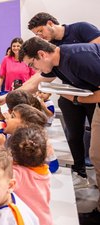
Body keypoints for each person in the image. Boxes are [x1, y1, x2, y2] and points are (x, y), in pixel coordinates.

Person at [18, 36, 100, 224]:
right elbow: (32, 84)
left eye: (32, 64)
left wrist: (77, 100)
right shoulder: (54, 63)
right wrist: (9, 99)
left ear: (41, 54)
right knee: (96, 155)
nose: (33, 69)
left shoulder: (78, 57)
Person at [27, 12, 100, 190]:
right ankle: (80, 172)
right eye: (36, 35)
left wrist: (79, 95)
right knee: (77, 137)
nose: (39, 36)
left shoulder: (80, 35)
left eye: (40, 31)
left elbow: (93, 56)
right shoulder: (54, 53)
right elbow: (39, 79)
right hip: (75, 92)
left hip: (91, 92)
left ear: (50, 23)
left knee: (95, 145)